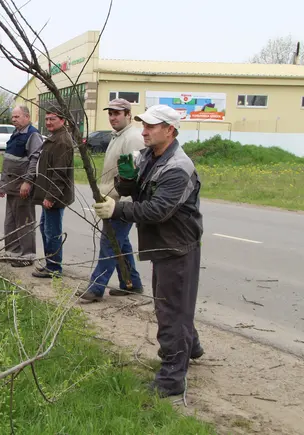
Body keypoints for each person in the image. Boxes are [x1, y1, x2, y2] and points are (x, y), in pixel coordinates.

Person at [92, 104, 204, 398]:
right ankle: (190, 346)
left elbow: (158, 210)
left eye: (151, 127)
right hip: (163, 242)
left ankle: (171, 378)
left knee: (170, 310)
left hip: (177, 245)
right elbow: (136, 191)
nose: (144, 131)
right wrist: (127, 179)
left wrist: (118, 208)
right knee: (176, 303)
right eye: (143, 125)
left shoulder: (178, 167)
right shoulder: (147, 156)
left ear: (170, 130)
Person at [78, 98, 144, 301]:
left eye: (117, 113)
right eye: (110, 113)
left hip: (122, 202)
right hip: (111, 198)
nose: (113, 117)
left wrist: (117, 198)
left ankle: (96, 288)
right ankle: (131, 283)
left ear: (128, 114)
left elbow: (132, 174)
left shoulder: (133, 138)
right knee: (120, 245)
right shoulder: (118, 136)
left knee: (109, 243)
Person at [30, 104, 75, 278]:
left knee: (52, 232)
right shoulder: (54, 137)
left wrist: (51, 196)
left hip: (54, 197)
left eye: (52, 119)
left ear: (62, 120)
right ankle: (51, 263)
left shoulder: (62, 141)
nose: (48, 122)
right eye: (47, 119)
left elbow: (60, 173)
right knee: (45, 229)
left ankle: (54, 268)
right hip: (48, 194)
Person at [0, 105, 43, 267]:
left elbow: (35, 160)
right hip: (11, 187)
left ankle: (27, 256)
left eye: (17, 117)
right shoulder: (16, 134)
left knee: (24, 222)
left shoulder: (33, 135)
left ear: (27, 117)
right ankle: (12, 253)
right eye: (13, 117)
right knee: (10, 222)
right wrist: (2, 185)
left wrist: (28, 182)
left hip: (23, 188)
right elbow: (8, 161)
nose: (13, 119)